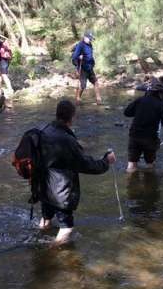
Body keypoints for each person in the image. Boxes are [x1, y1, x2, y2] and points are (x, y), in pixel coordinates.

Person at [38, 100, 116, 244]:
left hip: (43, 185)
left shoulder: (45, 130)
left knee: (46, 219)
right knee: (66, 228)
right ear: (72, 117)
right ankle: (51, 254)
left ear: (57, 114)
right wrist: (106, 161)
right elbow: (85, 165)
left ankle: (39, 240)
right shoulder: (67, 140)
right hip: (61, 192)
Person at [123, 80, 163, 173]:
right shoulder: (161, 105)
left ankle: (131, 184)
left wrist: (140, 113)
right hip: (149, 138)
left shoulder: (140, 100)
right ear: (159, 93)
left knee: (131, 164)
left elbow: (127, 112)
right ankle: (150, 184)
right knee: (150, 164)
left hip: (134, 135)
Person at [71, 31, 102, 105]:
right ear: (85, 37)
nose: (91, 40)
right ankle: (78, 98)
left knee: (95, 82)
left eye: (91, 39)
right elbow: (74, 57)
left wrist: (93, 62)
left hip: (90, 67)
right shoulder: (80, 45)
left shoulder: (90, 44)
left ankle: (98, 99)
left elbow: (90, 55)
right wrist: (78, 60)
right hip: (83, 69)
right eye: (89, 38)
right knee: (83, 86)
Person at [0, 36, 14, 109]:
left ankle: (10, 89)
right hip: (5, 61)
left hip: (3, 61)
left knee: (4, 75)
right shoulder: (2, 44)